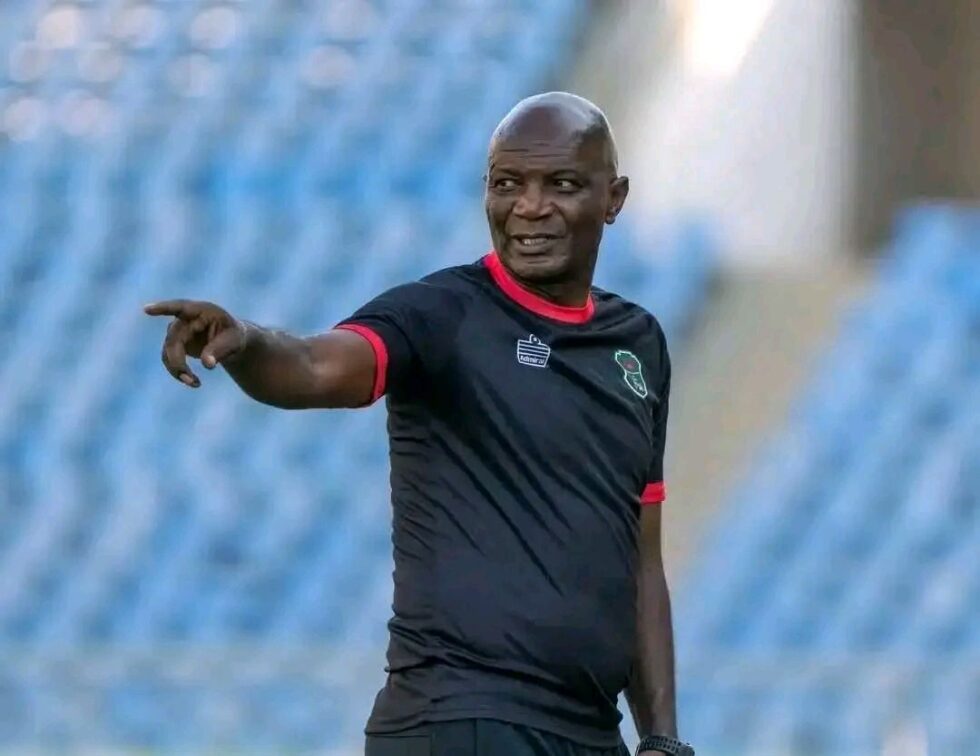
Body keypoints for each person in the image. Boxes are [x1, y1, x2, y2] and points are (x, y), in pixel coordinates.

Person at [145, 92, 693, 756]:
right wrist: (248, 343)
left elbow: (640, 558)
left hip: (588, 733)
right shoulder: (442, 314)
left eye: (562, 185)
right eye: (507, 184)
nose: (529, 207)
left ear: (614, 198)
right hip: (459, 719)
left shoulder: (638, 344)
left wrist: (661, 737)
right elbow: (315, 367)